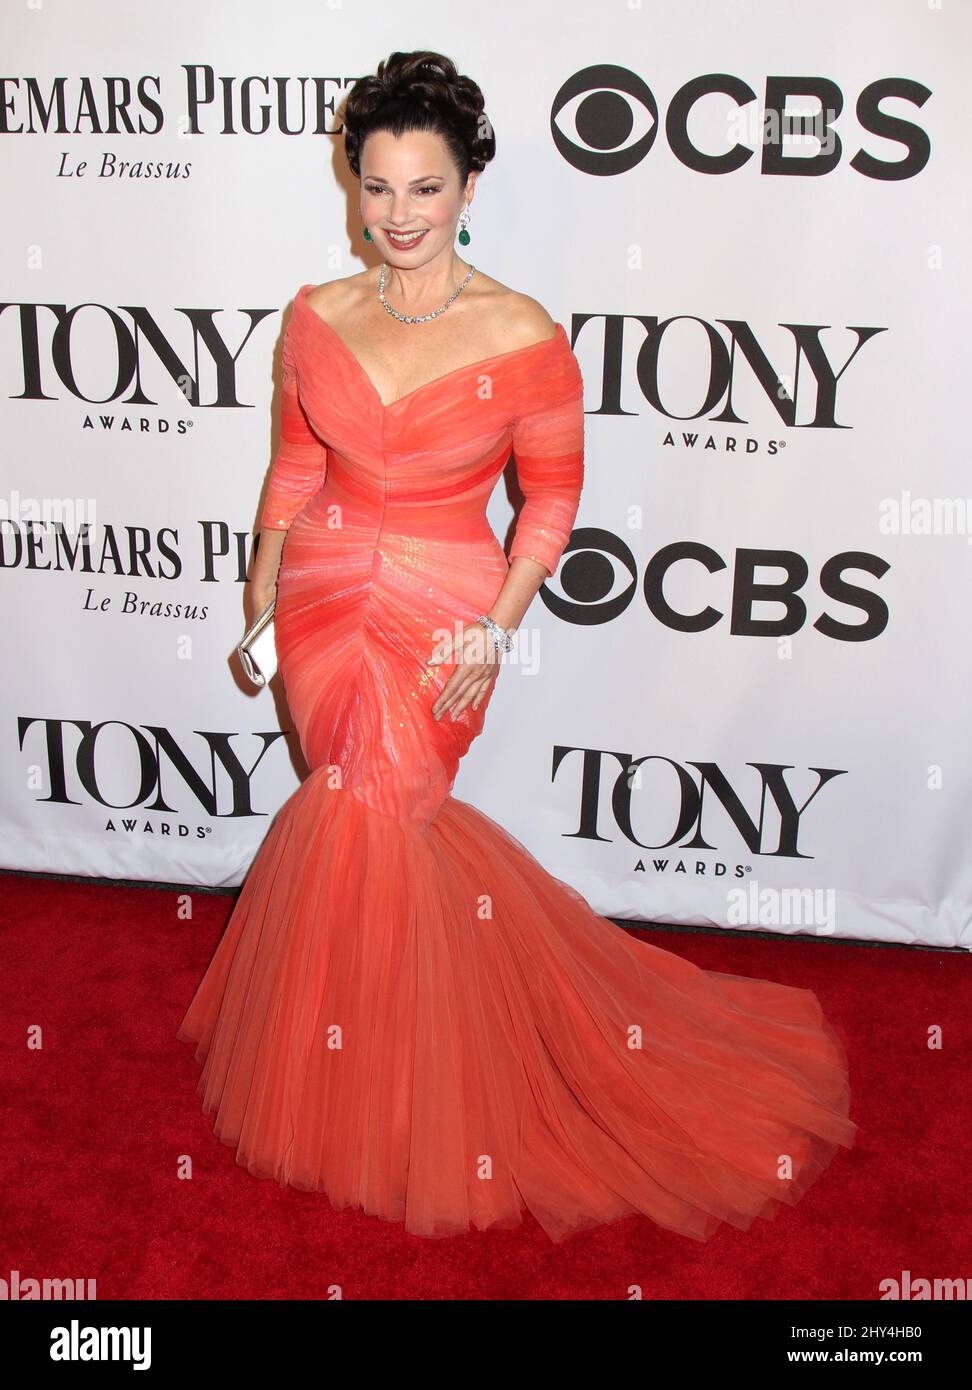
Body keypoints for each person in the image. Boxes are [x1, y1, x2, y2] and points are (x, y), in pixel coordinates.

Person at [177, 50, 856, 1243]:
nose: (397, 215)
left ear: (471, 185)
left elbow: (549, 501)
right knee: (346, 807)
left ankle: (399, 1088)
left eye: (424, 188)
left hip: (447, 611)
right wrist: (259, 593)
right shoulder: (313, 316)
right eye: (377, 186)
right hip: (322, 601)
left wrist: (497, 631)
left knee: (384, 810)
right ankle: (361, 1059)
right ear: (353, 183)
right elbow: (291, 468)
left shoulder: (524, 334)